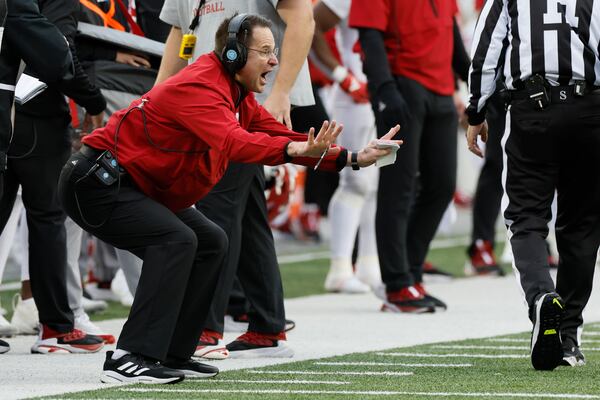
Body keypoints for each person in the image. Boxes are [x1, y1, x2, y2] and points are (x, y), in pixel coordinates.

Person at [58, 13, 401, 383]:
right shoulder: (200, 85)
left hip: (133, 184)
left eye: (275, 52)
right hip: (97, 184)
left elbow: (279, 133)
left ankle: (174, 351)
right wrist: (295, 150)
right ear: (235, 54)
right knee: (177, 240)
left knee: (211, 241)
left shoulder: (233, 90)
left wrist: (352, 157)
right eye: (266, 51)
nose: (274, 60)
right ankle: (129, 356)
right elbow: (235, 142)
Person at [157, 0, 314, 359]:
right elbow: (180, 34)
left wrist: (281, 91)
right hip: (205, 104)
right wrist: (154, 101)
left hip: (246, 102)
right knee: (246, 215)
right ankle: (267, 327)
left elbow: (302, 17)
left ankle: (205, 330)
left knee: (217, 211)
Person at [467, 0, 600, 371]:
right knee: (583, 225)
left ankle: (542, 296)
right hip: (590, 108)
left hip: (532, 108)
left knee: (525, 216)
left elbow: (485, 52)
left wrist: (476, 111)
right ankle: (569, 336)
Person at [349, 0, 468, 313]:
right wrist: (385, 89)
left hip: (441, 87)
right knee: (398, 187)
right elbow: (369, 34)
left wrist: (473, 77)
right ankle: (397, 282)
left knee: (442, 186)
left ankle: (411, 272)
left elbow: (450, 28)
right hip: (402, 85)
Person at [311, 0, 381, 293]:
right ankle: (339, 267)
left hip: (382, 89)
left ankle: (369, 263)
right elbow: (311, 29)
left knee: (375, 183)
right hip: (356, 95)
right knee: (355, 182)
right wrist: (344, 77)